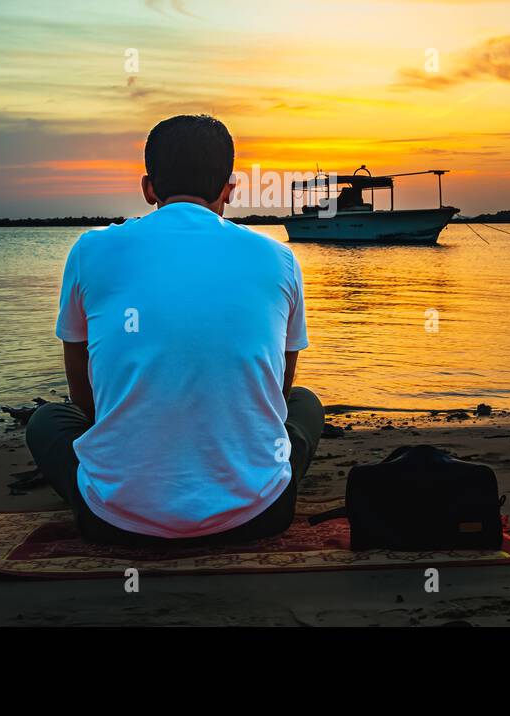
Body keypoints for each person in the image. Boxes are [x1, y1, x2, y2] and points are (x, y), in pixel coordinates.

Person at [26, 114, 324, 545]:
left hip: (115, 521)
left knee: (47, 420)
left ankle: (128, 480)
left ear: (149, 188)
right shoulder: (278, 259)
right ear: (228, 190)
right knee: (304, 404)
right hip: (260, 515)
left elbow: (80, 372)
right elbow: (280, 388)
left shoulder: (90, 251)